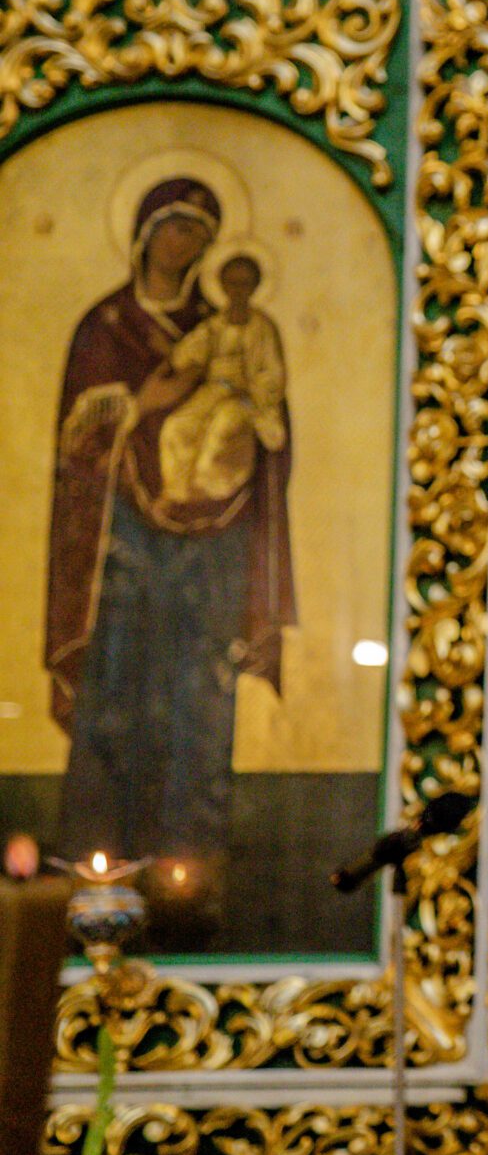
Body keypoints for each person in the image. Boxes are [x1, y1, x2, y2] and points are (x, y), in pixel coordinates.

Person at [46, 178, 296, 920]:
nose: (184, 242)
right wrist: (139, 406)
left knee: (199, 697)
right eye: (173, 226)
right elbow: (75, 445)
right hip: (122, 532)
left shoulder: (226, 328)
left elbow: (271, 425)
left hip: (213, 535)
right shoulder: (106, 327)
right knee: (114, 691)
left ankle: (189, 874)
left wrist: (246, 432)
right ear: (145, 232)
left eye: (198, 232)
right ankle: (96, 871)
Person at [155, 252, 289, 508]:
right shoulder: (215, 325)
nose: (237, 290)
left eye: (244, 283)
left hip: (246, 399)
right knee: (176, 426)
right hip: (215, 390)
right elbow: (187, 354)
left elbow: (272, 375)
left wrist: (251, 392)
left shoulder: (262, 328)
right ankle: (176, 491)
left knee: (222, 428)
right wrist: (171, 352)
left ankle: (208, 490)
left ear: (254, 287)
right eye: (232, 283)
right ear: (223, 286)